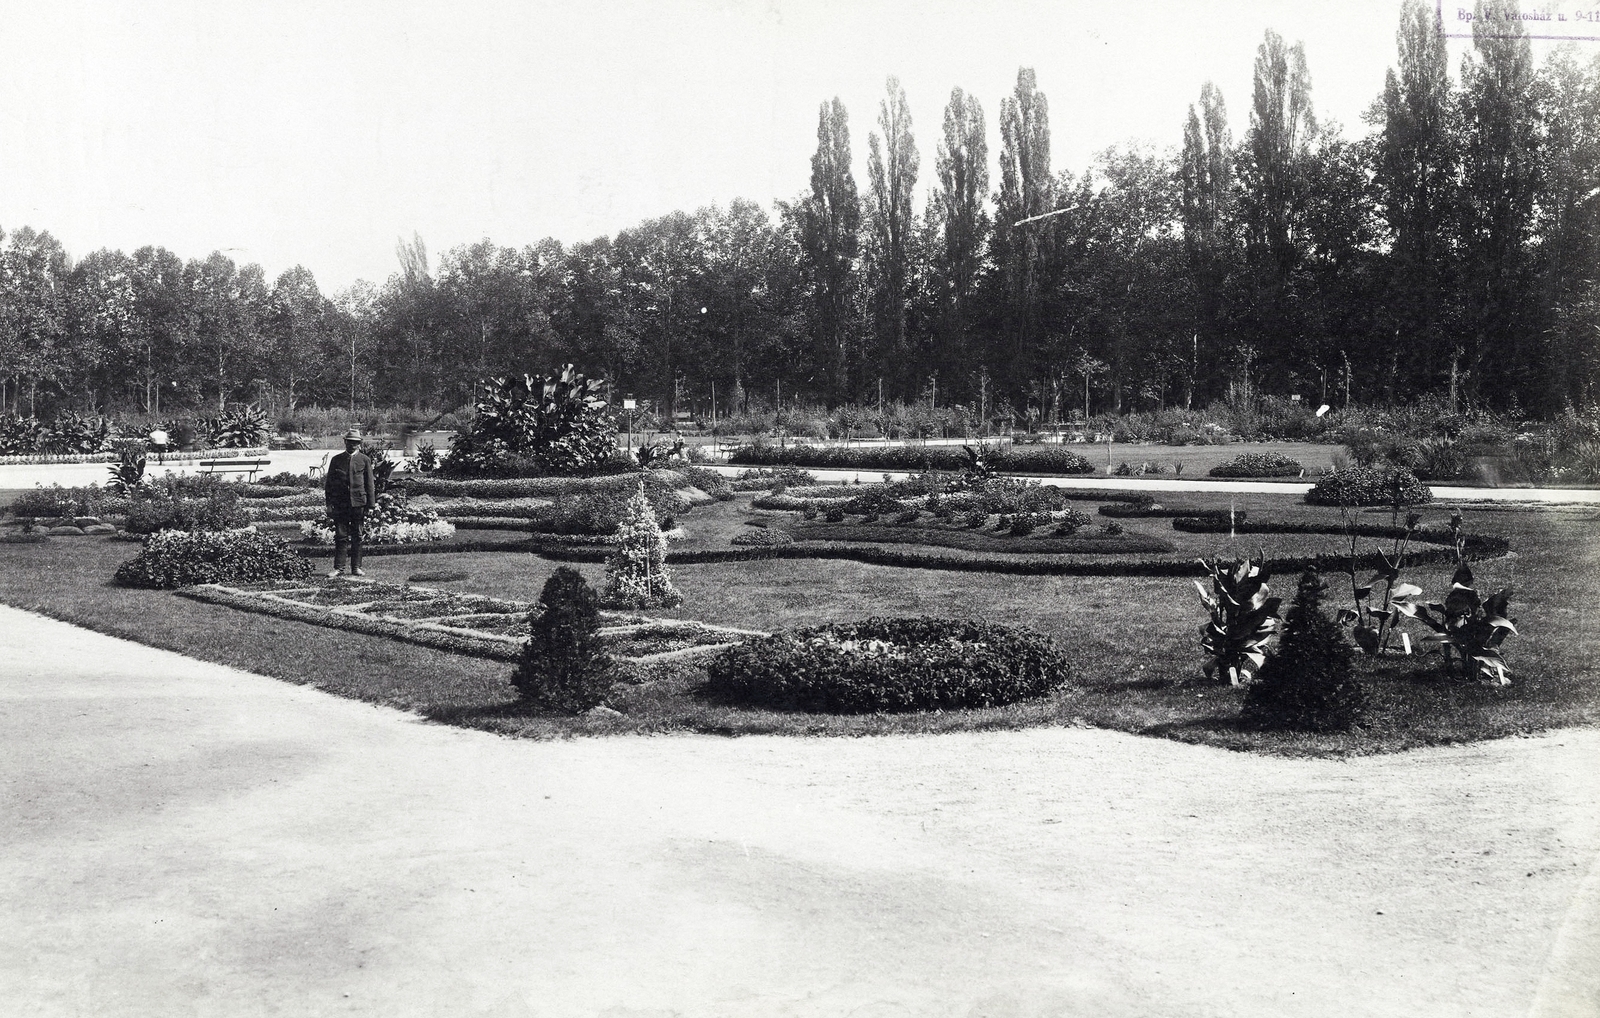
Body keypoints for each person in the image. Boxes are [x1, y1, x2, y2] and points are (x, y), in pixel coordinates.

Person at [324, 429, 377, 577]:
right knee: (340, 536)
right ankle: (339, 568)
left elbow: (369, 484)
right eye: (350, 442)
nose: (352, 445)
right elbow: (329, 484)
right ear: (345, 442)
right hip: (341, 503)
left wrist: (370, 505)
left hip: (358, 503)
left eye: (355, 443)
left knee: (357, 536)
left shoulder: (364, 460)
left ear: (359, 444)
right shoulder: (336, 460)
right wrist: (329, 504)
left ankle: (356, 567)